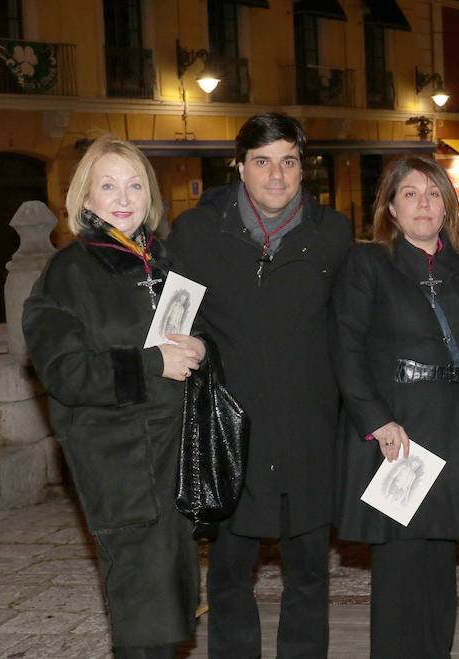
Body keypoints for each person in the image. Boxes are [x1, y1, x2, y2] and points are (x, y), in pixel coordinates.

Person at [167, 112, 352, 658]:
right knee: (228, 577)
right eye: (262, 162)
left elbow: (354, 327)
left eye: (288, 161)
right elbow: (174, 324)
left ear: (303, 168)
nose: (277, 176)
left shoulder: (333, 235)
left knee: (310, 578)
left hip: (310, 436)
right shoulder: (197, 233)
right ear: (240, 167)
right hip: (231, 438)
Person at [23, 135, 203, 658]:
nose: (123, 198)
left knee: (170, 606)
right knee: (141, 613)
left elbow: (185, 346)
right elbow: (65, 372)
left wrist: (198, 350)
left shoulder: (162, 263)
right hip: (120, 463)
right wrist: (153, 364)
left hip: (172, 461)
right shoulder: (69, 272)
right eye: (107, 185)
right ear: (85, 200)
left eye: (134, 185)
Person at [333, 157, 459, 659]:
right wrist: (375, 420)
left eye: (432, 193)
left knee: (439, 565)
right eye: (410, 193)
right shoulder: (368, 263)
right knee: (401, 568)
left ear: (447, 204)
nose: (423, 204)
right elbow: (346, 348)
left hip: (452, 426)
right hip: (396, 434)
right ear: (390, 205)